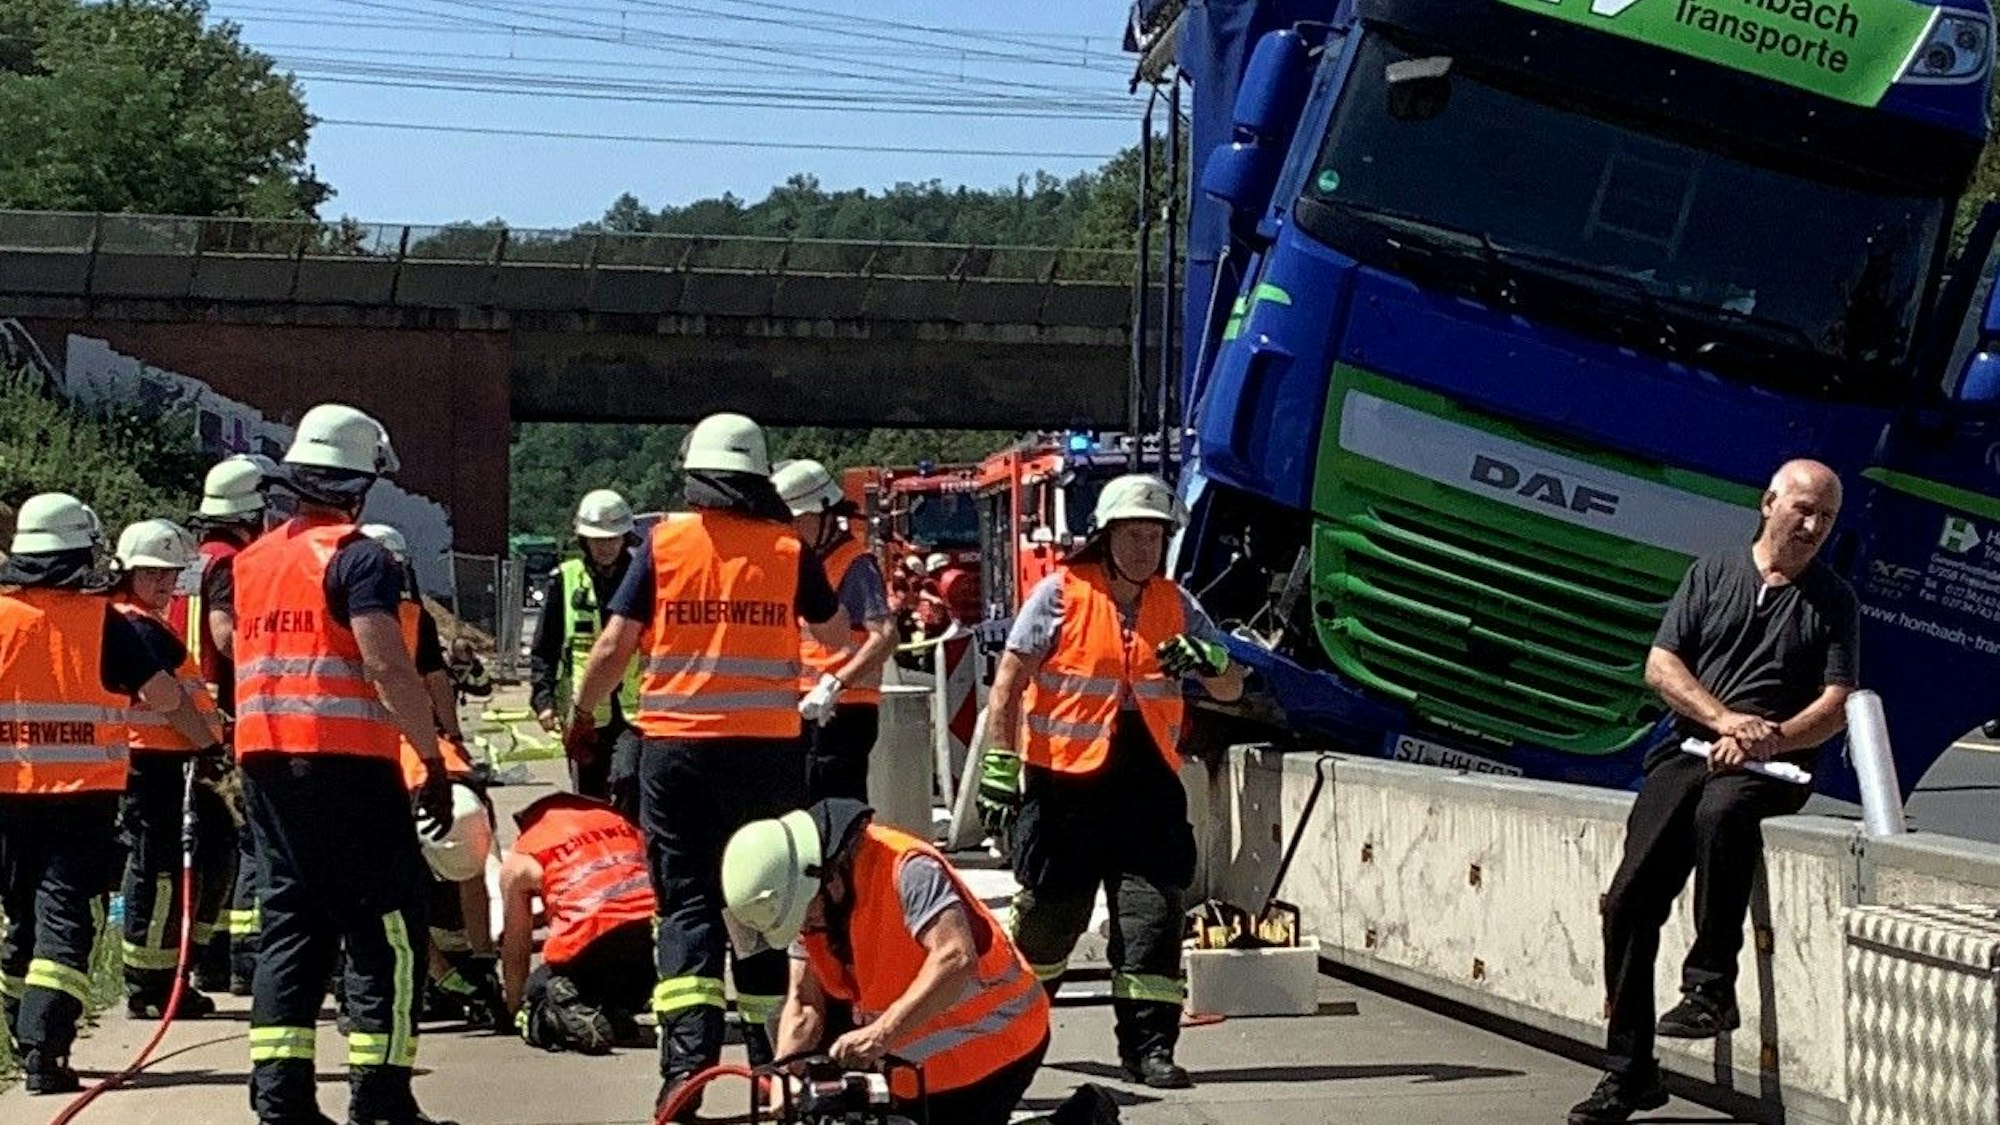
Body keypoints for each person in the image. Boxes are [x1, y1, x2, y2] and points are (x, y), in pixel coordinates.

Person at [568, 411, 846, 1117]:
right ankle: (766, 1061)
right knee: (763, 901)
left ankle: (686, 1073)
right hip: (767, 754)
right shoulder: (790, 548)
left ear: (696, 479)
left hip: (677, 750)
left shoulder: (664, 545)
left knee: (687, 905)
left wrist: (585, 713)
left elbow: (614, 647)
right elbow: (836, 632)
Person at [1569, 460, 1858, 1125]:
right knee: (1630, 898)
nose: (1812, 525)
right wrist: (1725, 720)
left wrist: (1768, 739)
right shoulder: (1711, 573)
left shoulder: (1834, 598)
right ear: (1768, 502)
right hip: (1692, 746)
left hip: (1774, 764)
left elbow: (1837, 702)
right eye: (1803, 509)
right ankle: (1630, 1070)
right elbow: (1661, 665)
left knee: (1724, 811)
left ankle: (1709, 986)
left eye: (1826, 517)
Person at [226, 403, 457, 1125]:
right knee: (386, 922)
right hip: (348, 766)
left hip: (266, 762)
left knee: (293, 925)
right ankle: (381, 1093)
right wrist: (431, 757)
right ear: (361, 485)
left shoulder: (252, 560)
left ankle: (281, 1097)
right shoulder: (361, 558)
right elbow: (387, 664)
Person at [977, 474, 1246, 1090]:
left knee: (1152, 921)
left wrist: (1216, 664)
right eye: (1134, 534)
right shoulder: (1060, 595)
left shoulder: (1178, 606)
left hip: (1146, 782)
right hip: (1065, 786)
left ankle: (1149, 1050)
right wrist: (1000, 768)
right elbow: (1010, 682)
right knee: (1048, 923)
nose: (1146, 547)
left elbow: (1232, 688)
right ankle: (1013, 1039)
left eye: (1156, 535)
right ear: (1106, 536)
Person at [0, 494, 221, 1093]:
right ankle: (46, 1051)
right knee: (65, 923)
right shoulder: (106, 624)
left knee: (19, 919)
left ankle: (24, 1036)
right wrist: (208, 747)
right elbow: (168, 700)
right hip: (79, 801)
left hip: (6, 801)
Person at [722, 799, 1050, 1125]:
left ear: (823, 877)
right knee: (782, 1021)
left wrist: (880, 1034)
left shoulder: (908, 869)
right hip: (907, 1052)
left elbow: (955, 958)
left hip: (993, 1043)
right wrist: (784, 1072)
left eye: (807, 916)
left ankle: (1087, 1114)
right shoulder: (812, 897)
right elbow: (804, 1002)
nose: (806, 928)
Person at [362, 523, 504, 1031]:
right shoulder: (389, 614)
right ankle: (439, 973)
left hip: (409, 750)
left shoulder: (409, 617)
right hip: (377, 752)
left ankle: (470, 965)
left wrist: (450, 740)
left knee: (464, 838)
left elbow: (435, 679)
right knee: (393, 876)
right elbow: (425, 681)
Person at [109, 519, 233, 1020]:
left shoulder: (149, 623)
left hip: (174, 759)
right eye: (152, 574)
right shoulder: (134, 626)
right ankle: (151, 983)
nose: (164, 584)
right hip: (150, 762)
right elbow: (169, 701)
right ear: (127, 573)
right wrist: (207, 742)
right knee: (157, 872)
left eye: (171, 575)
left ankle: (180, 967)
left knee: (216, 846)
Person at [178, 452, 279, 996]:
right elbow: (224, 635)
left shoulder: (190, 561)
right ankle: (246, 959)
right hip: (225, 721)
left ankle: (206, 957)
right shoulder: (231, 564)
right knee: (249, 841)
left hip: (181, 722)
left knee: (207, 846)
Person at [771, 459, 897, 802]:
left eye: (796, 520)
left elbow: (885, 635)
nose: (791, 529)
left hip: (843, 710)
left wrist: (836, 684)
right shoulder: (809, 563)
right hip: (807, 705)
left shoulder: (855, 564)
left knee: (834, 806)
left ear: (824, 513)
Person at [499, 793, 656, 1055]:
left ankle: (556, 1007)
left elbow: (516, 946)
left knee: (539, 987)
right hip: (651, 941)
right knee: (623, 965)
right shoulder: (625, 826)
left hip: (589, 945)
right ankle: (612, 1008)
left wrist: (516, 1007)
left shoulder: (526, 852)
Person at [530, 489, 644, 818]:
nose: (604, 547)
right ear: (582, 539)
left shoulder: (644, 578)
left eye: (611, 539)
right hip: (584, 714)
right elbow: (545, 648)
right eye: (596, 539)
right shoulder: (565, 580)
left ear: (625, 537)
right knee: (589, 801)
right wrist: (544, 699)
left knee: (628, 781)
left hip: (634, 714)